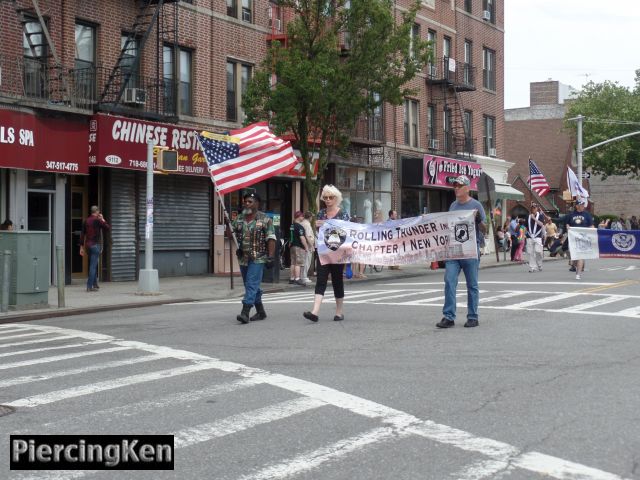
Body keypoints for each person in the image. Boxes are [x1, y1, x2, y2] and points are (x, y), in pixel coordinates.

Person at [436, 175, 486, 329]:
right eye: (455, 186)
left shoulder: (476, 205)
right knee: (449, 280)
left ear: (467, 188)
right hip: (455, 251)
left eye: (459, 186)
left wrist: (478, 221)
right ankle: (449, 316)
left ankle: (472, 317)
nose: (456, 188)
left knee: (472, 285)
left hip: (470, 251)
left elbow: (486, 228)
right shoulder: (453, 206)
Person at [303, 184, 350, 322]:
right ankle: (315, 312)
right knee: (321, 280)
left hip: (338, 252)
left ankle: (339, 312)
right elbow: (319, 232)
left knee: (337, 281)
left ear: (336, 199)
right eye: (325, 197)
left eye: (331, 197)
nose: (328, 200)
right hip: (324, 252)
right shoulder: (321, 213)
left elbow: (348, 232)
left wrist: (330, 225)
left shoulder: (343, 214)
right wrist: (319, 225)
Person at [231, 192, 276, 324]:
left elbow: (271, 239)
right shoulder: (239, 218)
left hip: (259, 257)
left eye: (250, 201)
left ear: (257, 203)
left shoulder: (265, 219)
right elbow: (231, 234)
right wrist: (228, 224)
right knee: (250, 285)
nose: (247, 204)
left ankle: (245, 312)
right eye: (245, 201)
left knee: (251, 283)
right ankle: (261, 312)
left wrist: (271, 257)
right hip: (243, 257)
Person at [80, 206, 110, 293]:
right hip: (95, 245)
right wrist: (103, 219)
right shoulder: (98, 220)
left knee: (93, 264)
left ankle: (95, 284)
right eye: (98, 212)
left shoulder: (86, 221)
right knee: (93, 266)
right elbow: (107, 228)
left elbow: (82, 235)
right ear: (96, 212)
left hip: (87, 246)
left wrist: (81, 247)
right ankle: (89, 286)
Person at [565, 197, 594, 280]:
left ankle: (578, 274)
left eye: (583, 205)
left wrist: (591, 231)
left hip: (583, 239)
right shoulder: (571, 215)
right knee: (574, 257)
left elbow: (591, 226)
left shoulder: (587, 215)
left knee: (580, 256)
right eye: (581, 204)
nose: (582, 206)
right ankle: (573, 263)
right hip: (573, 238)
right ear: (577, 205)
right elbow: (567, 225)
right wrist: (568, 227)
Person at [288, 210, 309, 286]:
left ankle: (292, 278)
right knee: (298, 263)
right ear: (299, 217)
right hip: (299, 246)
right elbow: (302, 238)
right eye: (302, 216)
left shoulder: (292, 226)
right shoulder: (299, 227)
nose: (303, 217)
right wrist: (306, 247)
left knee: (293, 262)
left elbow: (290, 236)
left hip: (292, 246)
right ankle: (297, 278)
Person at [526, 203, 546, 273]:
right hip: (529, 236)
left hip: (537, 236)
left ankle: (539, 264)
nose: (533, 209)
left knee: (538, 251)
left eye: (534, 208)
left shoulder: (540, 216)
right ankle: (532, 267)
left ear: (537, 208)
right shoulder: (527, 216)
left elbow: (541, 224)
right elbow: (526, 227)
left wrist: (534, 218)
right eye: (532, 208)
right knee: (530, 252)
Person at [300, 211, 315, 285]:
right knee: (306, 261)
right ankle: (304, 276)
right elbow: (308, 236)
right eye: (312, 217)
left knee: (303, 261)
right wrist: (311, 245)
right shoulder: (307, 225)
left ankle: (302, 276)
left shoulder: (302, 223)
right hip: (308, 245)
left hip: (303, 245)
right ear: (310, 217)